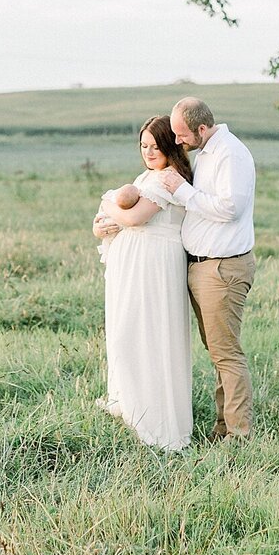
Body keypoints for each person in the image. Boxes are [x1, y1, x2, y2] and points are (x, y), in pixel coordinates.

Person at [93, 116, 194, 451]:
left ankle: (156, 421)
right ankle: (130, 404)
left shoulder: (170, 177)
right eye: (144, 146)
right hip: (131, 265)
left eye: (155, 145)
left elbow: (135, 218)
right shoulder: (145, 177)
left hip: (154, 265)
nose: (149, 152)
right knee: (125, 333)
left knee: (147, 334)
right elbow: (119, 222)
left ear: (170, 144)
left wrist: (107, 202)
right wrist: (102, 226)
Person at [160, 97, 256, 441]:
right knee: (217, 351)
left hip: (222, 269)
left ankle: (239, 434)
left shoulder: (230, 154)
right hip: (203, 268)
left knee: (227, 354)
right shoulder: (208, 154)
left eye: (181, 134)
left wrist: (184, 192)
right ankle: (222, 426)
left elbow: (231, 208)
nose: (177, 141)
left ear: (202, 128)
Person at [94, 183, 141, 263]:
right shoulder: (141, 179)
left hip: (121, 244)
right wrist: (96, 228)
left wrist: (105, 203)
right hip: (111, 229)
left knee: (109, 243)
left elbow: (131, 220)